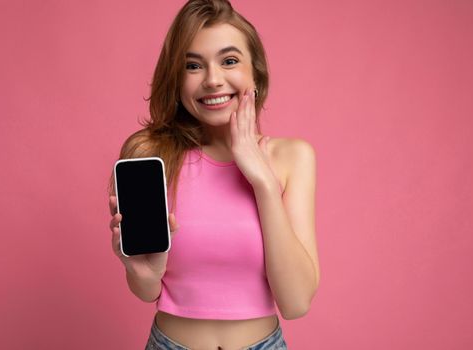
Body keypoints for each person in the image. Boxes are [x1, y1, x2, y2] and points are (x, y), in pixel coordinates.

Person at [107, 0, 319, 349]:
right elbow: (147, 290)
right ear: (176, 79)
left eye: (230, 61)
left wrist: (262, 181)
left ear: (256, 73)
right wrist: (141, 272)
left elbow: (296, 303)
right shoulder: (149, 155)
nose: (213, 80)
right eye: (193, 66)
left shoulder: (291, 157)